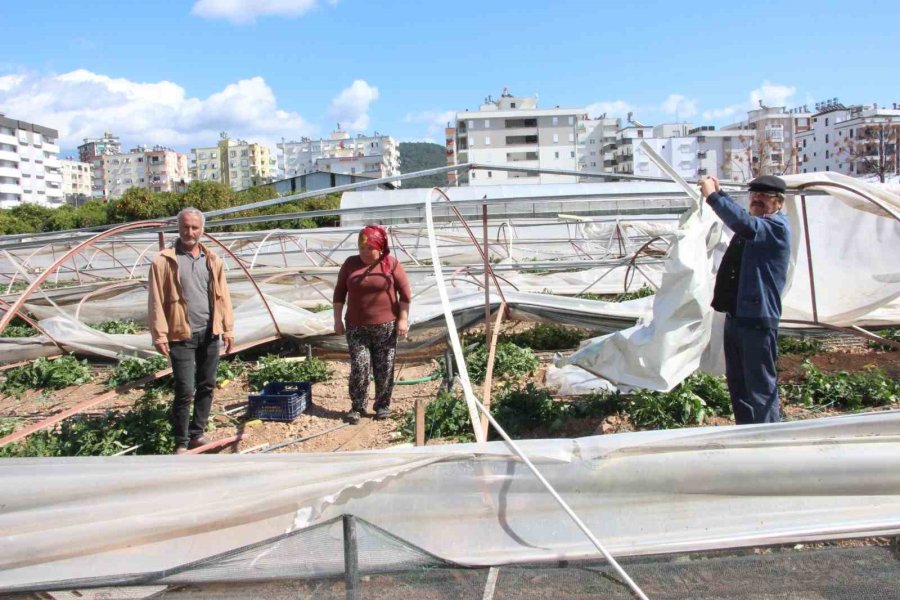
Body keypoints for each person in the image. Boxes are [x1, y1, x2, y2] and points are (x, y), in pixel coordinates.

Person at [699, 175, 791, 425]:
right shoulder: (757, 224)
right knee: (738, 384)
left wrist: (714, 197)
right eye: (754, 196)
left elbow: (744, 223)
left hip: (757, 319)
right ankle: (745, 435)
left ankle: (769, 440)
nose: (757, 200)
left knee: (760, 387)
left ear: (779, 203)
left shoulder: (775, 228)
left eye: (764, 197)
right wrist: (722, 194)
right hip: (737, 316)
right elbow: (744, 219)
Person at [148, 208, 235, 454]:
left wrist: (227, 329)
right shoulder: (164, 261)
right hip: (180, 334)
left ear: (202, 229)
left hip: (209, 333)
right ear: (178, 227)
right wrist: (159, 334)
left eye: (195, 227)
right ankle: (181, 441)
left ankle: (198, 433)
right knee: (185, 389)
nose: (190, 232)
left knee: (207, 384)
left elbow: (224, 297)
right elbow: (155, 300)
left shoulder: (213, 260)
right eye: (185, 227)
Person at [332, 225, 412, 424]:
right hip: (356, 327)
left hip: (385, 327)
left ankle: (382, 405)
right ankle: (358, 406)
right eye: (361, 248)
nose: (365, 253)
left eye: (370, 248)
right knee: (359, 366)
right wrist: (337, 320)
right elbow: (339, 293)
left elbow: (405, 294)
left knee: (384, 367)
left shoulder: (391, 264)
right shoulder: (350, 264)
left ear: (381, 247)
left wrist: (402, 319)